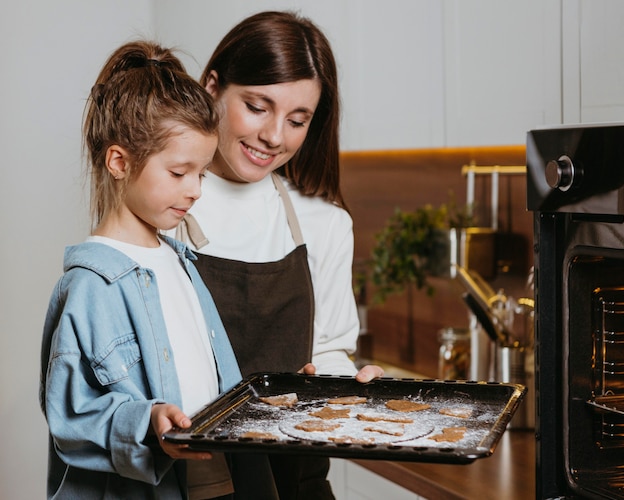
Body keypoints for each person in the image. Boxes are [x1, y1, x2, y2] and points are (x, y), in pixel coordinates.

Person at [174, 11, 384, 499]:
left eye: (297, 119)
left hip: (294, 480)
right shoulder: (165, 209)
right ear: (211, 89)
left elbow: (327, 347)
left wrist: (351, 386)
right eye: (257, 106)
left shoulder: (325, 223)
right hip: (195, 480)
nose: (274, 136)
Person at [39, 40, 245, 499]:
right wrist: (145, 422)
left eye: (202, 174)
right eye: (178, 173)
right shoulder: (91, 286)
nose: (194, 190)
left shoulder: (180, 261)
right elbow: (71, 415)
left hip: (210, 485)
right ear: (119, 161)